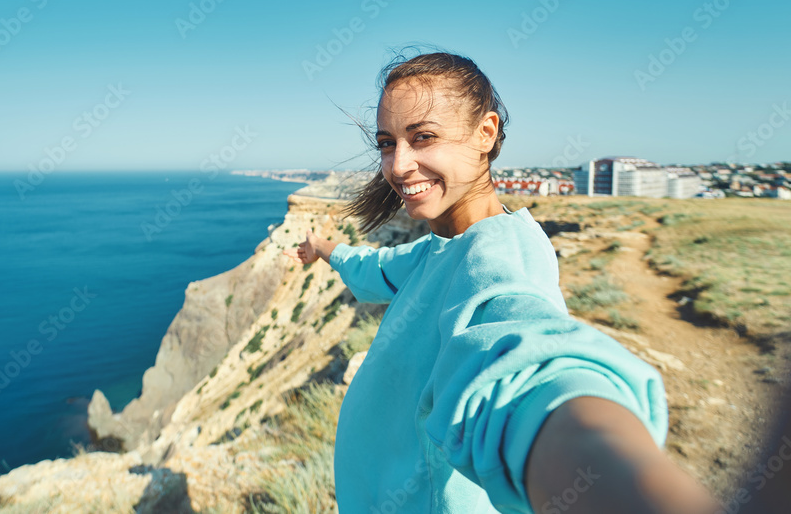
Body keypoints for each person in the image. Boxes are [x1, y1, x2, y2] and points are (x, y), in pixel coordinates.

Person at [283, 50, 721, 514]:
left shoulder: (498, 255)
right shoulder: (444, 245)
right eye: (388, 143)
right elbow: (378, 268)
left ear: (485, 133)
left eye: (424, 137)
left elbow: (524, 372)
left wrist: (602, 472)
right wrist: (323, 249)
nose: (397, 165)